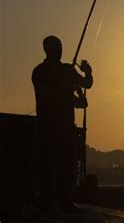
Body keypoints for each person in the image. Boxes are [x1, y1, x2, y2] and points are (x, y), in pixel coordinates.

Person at [32, 35, 93, 212]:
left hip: (63, 129)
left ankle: (64, 200)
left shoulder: (62, 71)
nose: (60, 50)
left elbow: (87, 83)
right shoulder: (41, 72)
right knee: (47, 166)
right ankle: (47, 202)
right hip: (49, 128)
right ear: (48, 49)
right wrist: (69, 84)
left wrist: (87, 71)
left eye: (60, 46)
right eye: (57, 47)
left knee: (65, 166)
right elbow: (46, 94)